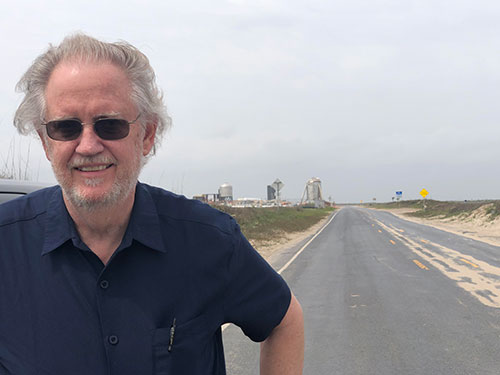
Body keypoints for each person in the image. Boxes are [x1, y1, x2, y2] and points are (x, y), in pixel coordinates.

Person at [0, 34, 304, 374]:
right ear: (45, 142)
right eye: (65, 127)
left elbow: (283, 320)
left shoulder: (210, 241)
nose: (87, 146)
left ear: (146, 135)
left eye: (109, 125)